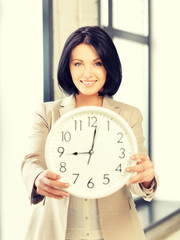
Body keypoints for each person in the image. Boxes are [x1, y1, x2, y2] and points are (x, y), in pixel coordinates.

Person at [21, 26, 158, 240]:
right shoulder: (47, 113)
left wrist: (147, 178)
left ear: (108, 67)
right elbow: (31, 161)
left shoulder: (130, 115)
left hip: (116, 232)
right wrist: (38, 177)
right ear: (68, 67)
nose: (87, 73)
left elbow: (137, 175)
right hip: (58, 232)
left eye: (97, 63)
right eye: (78, 64)